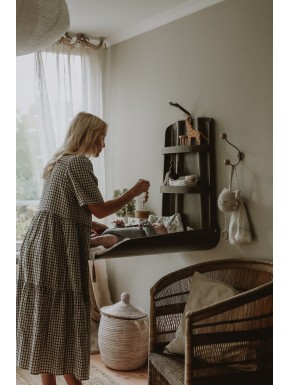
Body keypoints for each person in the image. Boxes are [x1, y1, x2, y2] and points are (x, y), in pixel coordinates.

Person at [16, 112, 150, 385]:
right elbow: (99, 208)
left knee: (50, 318)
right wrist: (133, 192)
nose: (103, 145)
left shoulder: (60, 162)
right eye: (102, 138)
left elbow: (65, 210)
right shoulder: (78, 163)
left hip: (39, 244)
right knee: (61, 316)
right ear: (89, 135)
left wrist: (91, 225)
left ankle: (64, 381)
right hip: (54, 248)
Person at [90, 220, 168, 249]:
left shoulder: (153, 239)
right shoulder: (142, 229)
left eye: (155, 225)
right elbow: (127, 229)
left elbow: (152, 239)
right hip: (114, 230)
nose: (152, 225)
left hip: (119, 238)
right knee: (95, 225)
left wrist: (147, 223)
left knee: (99, 240)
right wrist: (120, 226)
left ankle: (82, 242)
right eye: (153, 224)